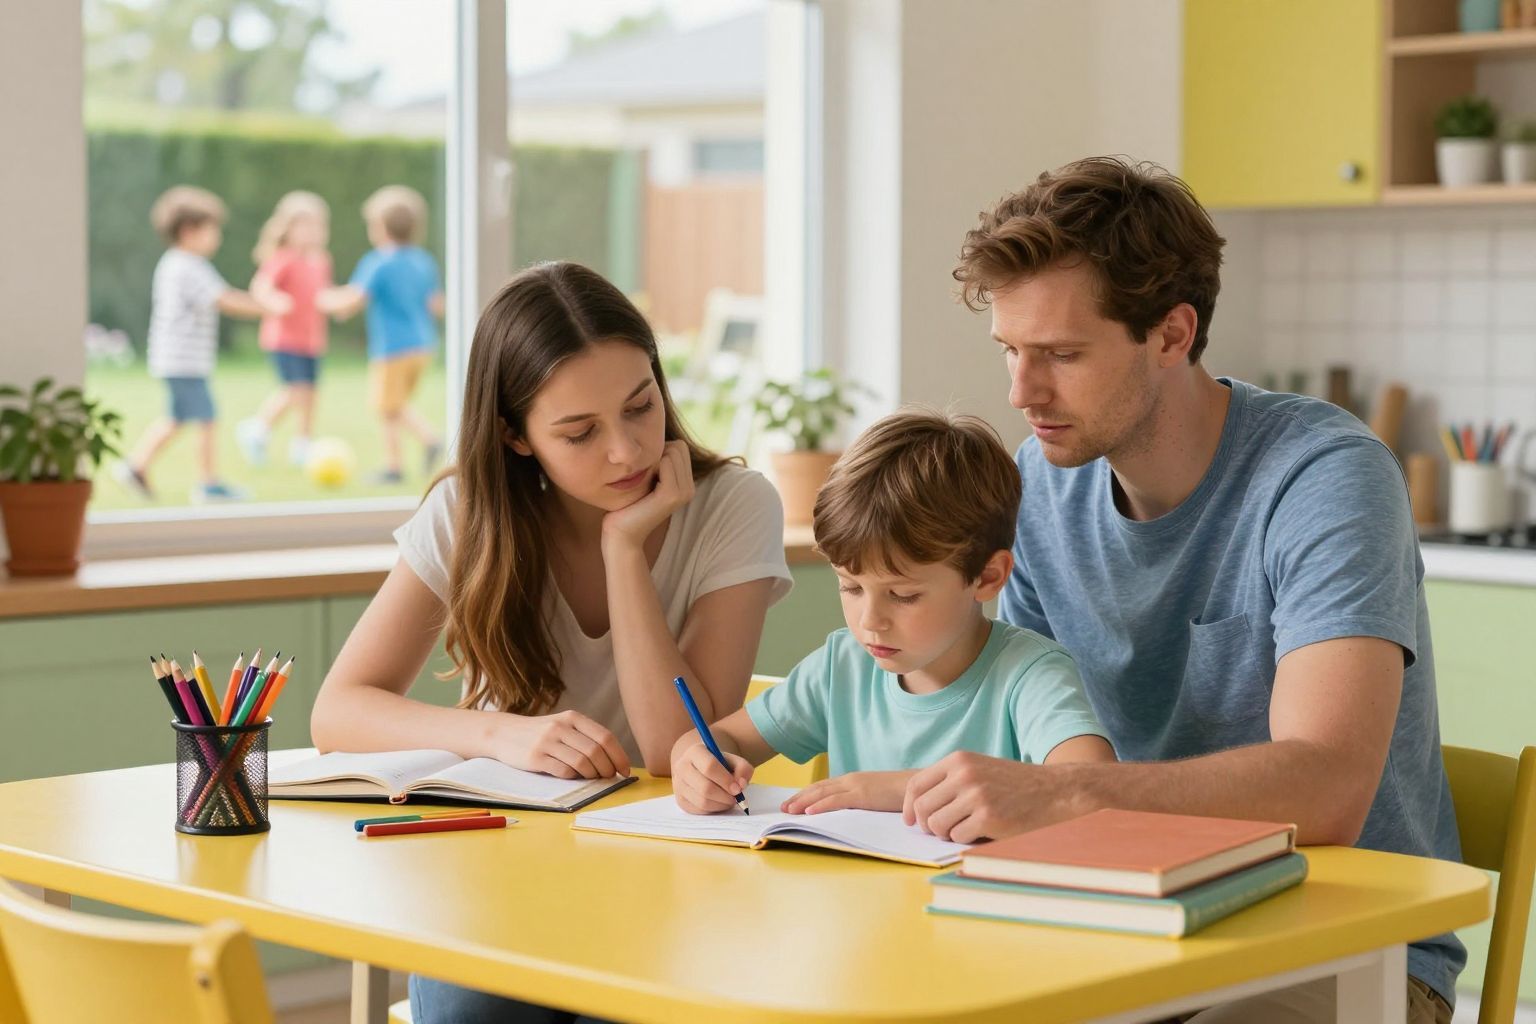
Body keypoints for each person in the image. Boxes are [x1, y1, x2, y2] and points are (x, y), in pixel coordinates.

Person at [901, 156, 1460, 1024]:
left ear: (1170, 334)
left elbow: (1328, 787)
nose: (1021, 392)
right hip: (1125, 924)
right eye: (1011, 351)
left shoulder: (1323, 476)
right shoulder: (1039, 486)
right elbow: (1017, 725)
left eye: (1060, 354)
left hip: (1348, 951)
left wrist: (1067, 794)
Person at [310, 261, 793, 1024]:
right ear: (515, 436)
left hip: (668, 877)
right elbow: (337, 713)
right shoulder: (468, 513)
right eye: (580, 433)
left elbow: (674, 751)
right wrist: (502, 735)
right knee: (472, 1011)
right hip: (510, 871)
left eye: (642, 407)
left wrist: (624, 550)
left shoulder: (733, 505)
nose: (628, 453)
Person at [672, 408, 1113, 817]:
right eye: (851, 586)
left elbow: (1091, 786)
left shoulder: (1031, 676)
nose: (870, 621)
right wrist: (697, 761)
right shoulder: (841, 666)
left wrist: (902, 789)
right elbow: (720, 739)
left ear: (987, 577)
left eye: (902, 595)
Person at [115, 185, 282, 503]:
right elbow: (225, 300)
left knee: (177, 418)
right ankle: (208, 484)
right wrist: (267, 307)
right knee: (207, 417)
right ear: (190, 231)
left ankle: (136, 465)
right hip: (183, 360)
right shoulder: (187, 266)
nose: (216, 237)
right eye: (212, 229)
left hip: (176, 358)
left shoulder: (177, 263)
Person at [320, 184, 445, 483]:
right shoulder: (423, 261)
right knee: (394, 405)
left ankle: (401, 461)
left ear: (378, 228)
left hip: (393, 348)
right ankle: (408, 455)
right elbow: (437, 305)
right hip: (424, 346)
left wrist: (322, 299)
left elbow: (353, 300)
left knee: (387, 408)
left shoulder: (378, 262)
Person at [236, 191, 334, 470]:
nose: (312, 232)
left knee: (310, 394)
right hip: (284, 339)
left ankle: (302, 443)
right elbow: (261, 286)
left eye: (317, 226)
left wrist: (336, 302)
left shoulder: (321, 260)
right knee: (295, 390)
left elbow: (322, 294)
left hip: (312, 339)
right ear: (287, 229)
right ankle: (257, 429)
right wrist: (273, 301)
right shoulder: (283, 258)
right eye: (305, 226)